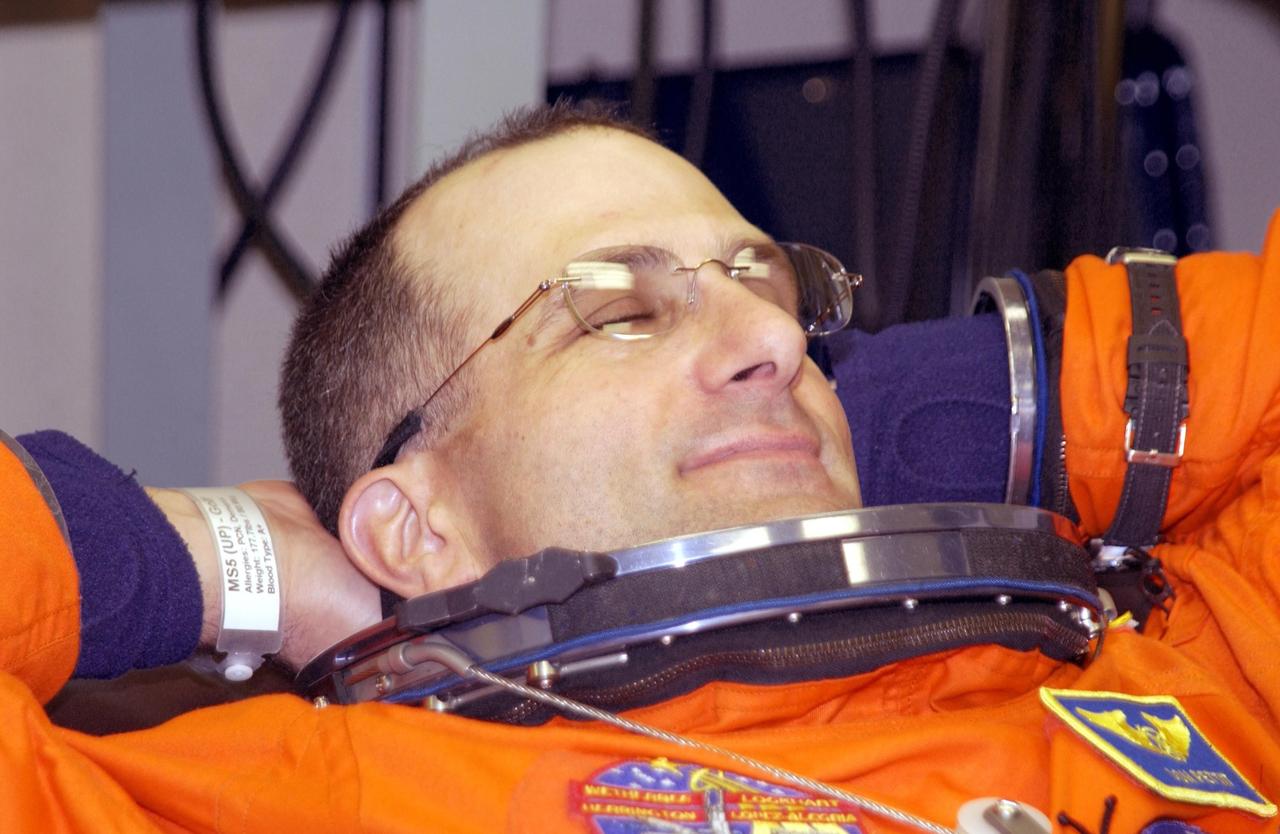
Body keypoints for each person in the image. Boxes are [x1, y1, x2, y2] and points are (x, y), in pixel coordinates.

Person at [4, 102, 1280, 833]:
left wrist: (969, 406)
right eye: (617, 310)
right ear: (415, 526)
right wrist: (195, 557)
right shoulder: (332, 808)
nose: (778, 339)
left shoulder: (1198, 666)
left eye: (765, 286)